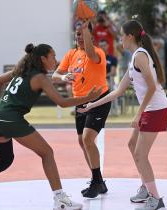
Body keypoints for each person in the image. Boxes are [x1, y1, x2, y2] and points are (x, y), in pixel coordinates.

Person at [0, 43, 102, 209]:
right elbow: (62, 102)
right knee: (47, 153)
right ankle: (60, 199)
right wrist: (88, 97)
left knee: (6, 159)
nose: (56, 61)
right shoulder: (40, 78)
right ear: (43, 58)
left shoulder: (21, 71)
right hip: (10, 119)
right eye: (53, 57)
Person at [78, 20, 167, 210]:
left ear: (130, 36)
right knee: (132, 145)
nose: (119, 39)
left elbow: (152, 87)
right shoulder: (135, 57)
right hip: (150, 109)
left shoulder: (141, 56)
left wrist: (138, 114)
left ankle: (156, 198)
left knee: (140, 154)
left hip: (156, 109)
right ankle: (145, 188)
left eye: (121, 35)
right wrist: (92, 104)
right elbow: (117, 91)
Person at [52, 21, 111, 198]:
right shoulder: (71, 54)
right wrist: (63, 76)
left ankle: (96, 181)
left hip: (99, 100)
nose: (78, 36)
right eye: (76, 34)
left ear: (90, 35)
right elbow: (55, 76)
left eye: (82, 33)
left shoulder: (97, 52)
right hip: (80, 102)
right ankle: (98, 180)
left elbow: (91, 53)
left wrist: (85, 27)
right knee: (82, 141)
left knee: (87, 138)